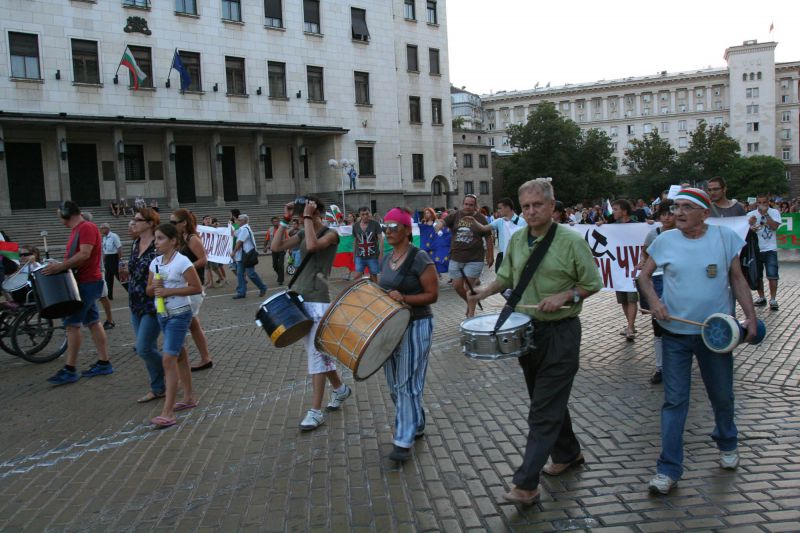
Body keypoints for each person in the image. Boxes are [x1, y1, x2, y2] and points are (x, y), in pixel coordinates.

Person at [468, 179, 602, 505]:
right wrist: (483, 291)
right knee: (547, 401)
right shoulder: (516, 240)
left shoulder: (570, 241)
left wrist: (565, 295)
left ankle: (526, 484)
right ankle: (568, 452)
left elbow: (592, 282)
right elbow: (508, 277)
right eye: (525, 206)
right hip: (529, 332)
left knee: (542, 409)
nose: (530, 211)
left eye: (537, 205)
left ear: (552, 206)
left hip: (562, 333)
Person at [637, 188, 757, 495]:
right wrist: (655, 301)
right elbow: (644, 277)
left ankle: (727, 442)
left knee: (722, 396)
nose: (678, 212)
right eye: (676, 206)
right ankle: (668, 469)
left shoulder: (723, 238)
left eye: (686, 207)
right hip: (675, 336)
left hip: (714, 336)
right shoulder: (664, 240)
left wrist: (750, 317)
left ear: (705, 213)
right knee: (675, 401)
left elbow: (737, 279)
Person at [271, 196, 351, 431]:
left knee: (316, 355)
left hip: (318, 300)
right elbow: (276, 247)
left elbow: (315, 246)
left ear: (318, 213)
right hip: (299, 298)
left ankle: (315, 412)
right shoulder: (304, 232)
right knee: (319, 353)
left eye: (306, 215)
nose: (301, 220)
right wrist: (285, 221)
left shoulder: (332, 233)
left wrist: (307, 217)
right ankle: (340, 389)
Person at [377, 208, 438, 462]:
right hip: (391, 328)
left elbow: (432, 295)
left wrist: (405, 298)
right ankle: (418, 422)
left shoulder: (420, 258)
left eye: (393, 226)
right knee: (394, 384)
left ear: (405, 229)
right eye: (385, 227)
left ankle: (403, 441)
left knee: (407, 384)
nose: (388, 231)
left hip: (416, 325)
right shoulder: (386, 258)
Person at [44, 201, 112, 385]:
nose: (60, 220)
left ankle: (70, 369)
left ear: (66, 213)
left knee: (72, 325)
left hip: (87, 282)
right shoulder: (78, 229)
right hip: (87, 281)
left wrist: (61, 266)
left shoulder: (86, 227)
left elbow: (84, 254)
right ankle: (104, 362)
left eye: (60, 215)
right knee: (93, 322)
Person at [147, 222, 202, 428]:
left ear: (173, 241)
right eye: (155, 238)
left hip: (179, 315)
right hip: (163, 314)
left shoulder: (183, 262)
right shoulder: (155, 263)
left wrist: (170, 291)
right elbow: (149, 291)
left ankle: (167, 412)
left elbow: (196, 287)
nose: (157, 242)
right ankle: (188, 397)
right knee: (179, 354)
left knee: (168, 359)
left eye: (160, 238)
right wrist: (155, 287)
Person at [171, 209, 214, 372]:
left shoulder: (192, 238)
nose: (172, 225)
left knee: (182, 323)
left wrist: (185, 269)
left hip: (193, 286)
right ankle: (205, 358)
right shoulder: (180, 239)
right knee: (193, 325)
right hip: (185, 285)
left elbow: (203, 259)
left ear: (184, 223)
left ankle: (179, 361)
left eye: (174, 222)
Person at [128, 208, 164, 403]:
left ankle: (171, 368)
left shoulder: (157, 245)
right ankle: (158, 388)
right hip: (135, 301)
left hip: (152, 303)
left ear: (150, 223)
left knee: (143, 348)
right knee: (148, 346)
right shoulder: (135, 243)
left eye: (138, 220)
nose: (134, 223)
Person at [638, 200, 676, 385]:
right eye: (664, 214)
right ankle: (660, 367)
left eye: (671, 213)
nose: (667, 217)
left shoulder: (683, 233)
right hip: (658, 281)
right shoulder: (654, 234)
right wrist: (644, 264)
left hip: (678, 283)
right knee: (658, 325)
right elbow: (645, 253)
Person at [444, 194, 493, 317]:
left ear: (475, 206)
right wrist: (438, 225)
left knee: (468, 287)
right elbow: (443, 221)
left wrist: (490, 255)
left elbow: (488, 237)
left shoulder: (481, 218)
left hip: (475, 258)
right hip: (456, 256)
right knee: (457, 285)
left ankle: (470, 314)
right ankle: (471, 300)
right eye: (466, 204)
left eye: (471, 205)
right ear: (463, 204)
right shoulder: (456, 215)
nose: (468, 207)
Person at [471, 197, 526, 272]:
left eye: (500, 208)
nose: (498, 210)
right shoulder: (500, 221)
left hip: (517, 256)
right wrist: (473, 220)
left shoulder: (522, 222)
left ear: (507, 207)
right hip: (502, 256)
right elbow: (484, 228)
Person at [610, 199, 639, 340]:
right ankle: (630, 325)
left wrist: (649, 225)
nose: (613, 212)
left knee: (632, 299)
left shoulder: (636, 225)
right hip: (619, 270)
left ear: (624, 211)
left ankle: (631, 327)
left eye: (615, 209)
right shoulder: (612, 227)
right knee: (623, 300)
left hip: (632, 269)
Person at [747, 195, 782, 310]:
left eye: (764, 202)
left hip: (770, 248)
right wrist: (750, 226)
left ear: (768, 202)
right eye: (760, 202)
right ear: (757, 203)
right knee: (758, 275)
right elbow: (745, 231)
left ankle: (773, 299)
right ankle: (761, 297)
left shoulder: (774, 212)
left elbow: (775, 227)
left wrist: (766, 214)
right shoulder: (751, 214)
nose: (762, 204)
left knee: (772, 275)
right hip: (756, 249)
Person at [231, 214, 268, 299]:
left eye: (239, 220)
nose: (237, 221)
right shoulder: (241, 229)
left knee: (250, 273)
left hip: (247, 254)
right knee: (240, 274)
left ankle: (262, 287)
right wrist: (230, 226)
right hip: (242, 255)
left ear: (244, 221)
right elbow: (234, 234)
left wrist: (233, 252)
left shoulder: (244, 229)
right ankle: (241, 292)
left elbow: (239, 242)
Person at [352, 206, 384, 283]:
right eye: (363, 214)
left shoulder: (375, 224)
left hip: (373, 255)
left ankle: (376, 293)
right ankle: (360, 292)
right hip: (360, 255)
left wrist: (380, 254)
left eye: (367, 214)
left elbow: (381, 239)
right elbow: (355, 241)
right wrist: (354, 255)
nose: (365, 216)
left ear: (369, 213)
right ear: (359, 215)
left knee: (373, 276)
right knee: (356, 277)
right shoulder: (355, 226)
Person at [100, 223, 122, 305]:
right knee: (108, 278)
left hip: (114, 258)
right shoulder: (104, 238)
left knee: (120, 277)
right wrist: (103, 260)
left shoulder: (114, 236)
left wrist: (120, 260)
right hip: (108, 259)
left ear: (107, 228)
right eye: (101, 228)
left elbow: (119, 247)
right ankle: (109, 296)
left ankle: (130, 291)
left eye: (102, 228)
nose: (101, 230)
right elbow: (105, 250)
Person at [268, 217, 285, 285]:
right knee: (275, 265)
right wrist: (265, 246)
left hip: (281, 249)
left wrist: (290, 248)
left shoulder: (283, 229)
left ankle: (280, 280)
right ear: (272, 222)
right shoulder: (270, 230)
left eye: (277, 221)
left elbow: (287, 237)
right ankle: (280, 274)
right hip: (274, 249)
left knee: (280, 265)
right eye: (274, 221)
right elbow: (267, 238)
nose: (276, 223)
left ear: (279, 222)